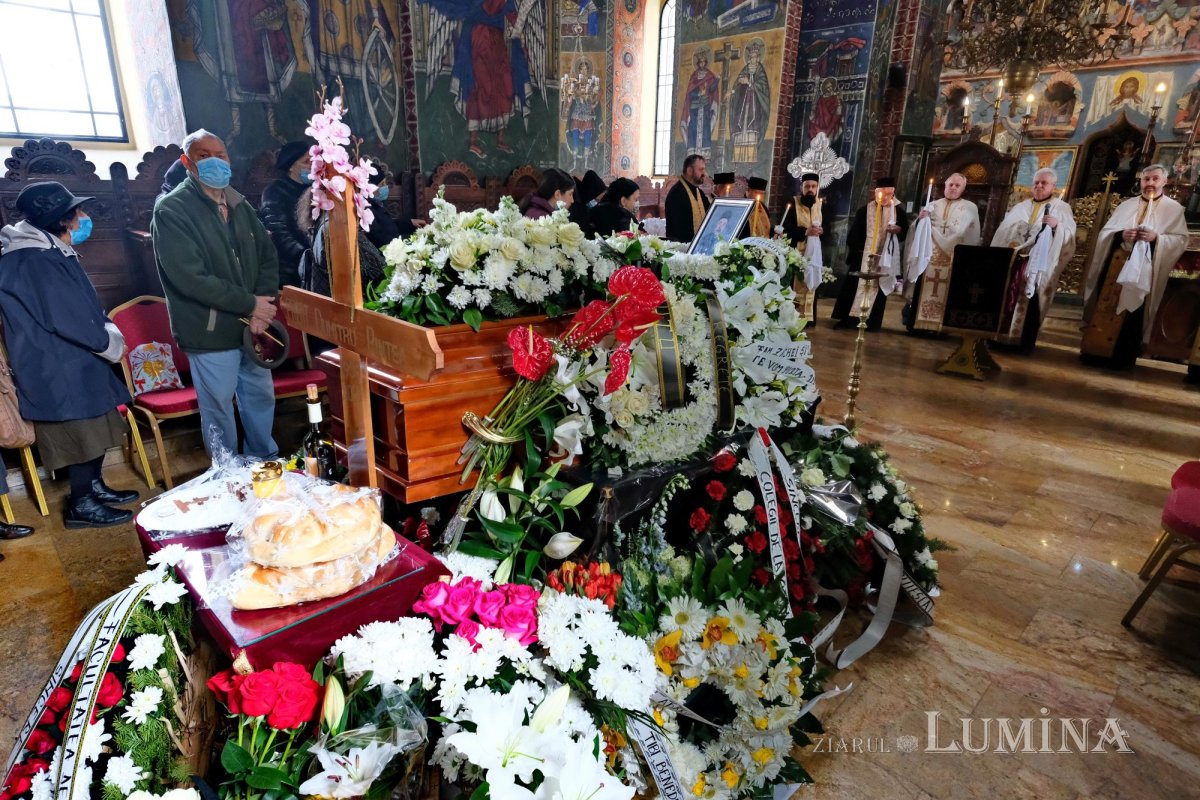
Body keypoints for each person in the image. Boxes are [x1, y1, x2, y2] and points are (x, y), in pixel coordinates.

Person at [0, 182, 140, 528]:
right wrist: (108, 340)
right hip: (57, 364)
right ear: (60, 219)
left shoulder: (47, 249)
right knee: (79, 433)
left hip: (74, 359)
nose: (82, 217)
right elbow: (66, 315)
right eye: (76, 212)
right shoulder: (33, 259)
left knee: (96, 425)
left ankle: (94, 486)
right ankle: (82, 505)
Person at [151, 129, 281, 460]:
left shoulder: (239, 203)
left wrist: (262, 306)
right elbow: (190, 279)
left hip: (252, 327)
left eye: (220, 155)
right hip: (209, 330)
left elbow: (267, 255)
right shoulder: (172, 210)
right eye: (204, 156)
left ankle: (262, 464)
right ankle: (226, 475)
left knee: (260, 397)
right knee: (219, 407)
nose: (215, 162)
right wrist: (250, 304)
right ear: (186, 162)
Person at [1081, 164, 1189, 369]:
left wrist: (1157, 238)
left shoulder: (1173, 209)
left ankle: (1123, 356)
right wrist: (1120, 235)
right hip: (1115, 266)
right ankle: (1094, 351)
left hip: (1144, 270)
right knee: (1107, 305)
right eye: (1146, 179)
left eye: (1155, 179)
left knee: (1133, 314)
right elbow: (1105, 234)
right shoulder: (1126, 205)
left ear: (1164, 182)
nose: (1150, 183)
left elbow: (1180, 240)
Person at [990, 168, 1076, 351]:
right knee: (1006, 297)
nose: (1038, 186)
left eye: (1044, 183)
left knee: (1030, 301)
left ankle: (1021, 343)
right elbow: (1003, 232)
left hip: (1037, 265)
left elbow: (1069, 238)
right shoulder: (1020, 206)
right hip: (1014, 262)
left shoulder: (1062, 208)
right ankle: (998, 337)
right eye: (1036, 182)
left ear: (1053, 186)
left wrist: (1056, 227)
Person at [903, 173, 981, 334]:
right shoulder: (932, 205)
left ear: (963, 188)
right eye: (950, 184)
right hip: (928, 257)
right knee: (923, 289)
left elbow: (971, 235)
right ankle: (917, 326)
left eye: (957, 185)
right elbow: (915, 231)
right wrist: (920, 220)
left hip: (953, 259)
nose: (953, 188)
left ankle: (939, 330)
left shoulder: (970, 208)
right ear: (945, 186)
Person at [831, 177, 909, 331]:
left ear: (893, 193)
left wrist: (898, 231)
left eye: (888, 193)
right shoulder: (864, 210)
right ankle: (848, 321)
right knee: (854, 287)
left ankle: (872, 322)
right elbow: (854, 234)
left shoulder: (898, 211)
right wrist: (859, 249)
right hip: (862, 256)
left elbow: (904, 231)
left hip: (883, 258)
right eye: (881, 193)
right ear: (876, 193)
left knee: (878, 288)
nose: (885, 197)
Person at [259, 141, 313, 287]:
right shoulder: (274, 191)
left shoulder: (316, 190)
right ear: (291, 166)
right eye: (306, 162)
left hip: (316, 267)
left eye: (314, 161)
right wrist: (306, 257)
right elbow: (278, 232)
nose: (312, 166)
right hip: (291, 272)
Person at [781, 172, 829, 317]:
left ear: (817, 188)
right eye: (807, 186)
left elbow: (828, 227)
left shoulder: (820, 205)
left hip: (814, 253)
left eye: (813, 186)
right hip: (796, 253)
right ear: (802, 187)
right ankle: (792, 316)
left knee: (812, 282)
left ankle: (808, 317)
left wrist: (822, 230)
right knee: (794, 284)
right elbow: (786, 228)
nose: (810, 189)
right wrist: (805, 232)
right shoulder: (793, 202)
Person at [665, 154, 712, 243]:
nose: (704, 174)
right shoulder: (676, 193)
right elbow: (678, 227)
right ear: (689, 170)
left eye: (704, 169)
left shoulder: (699, 192)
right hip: (681, 248)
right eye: (701, 169)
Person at [570, 169, 606, 237]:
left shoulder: (584, 205)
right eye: (596, 200)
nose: (596, 203)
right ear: (590, 194)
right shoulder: (576, 206)